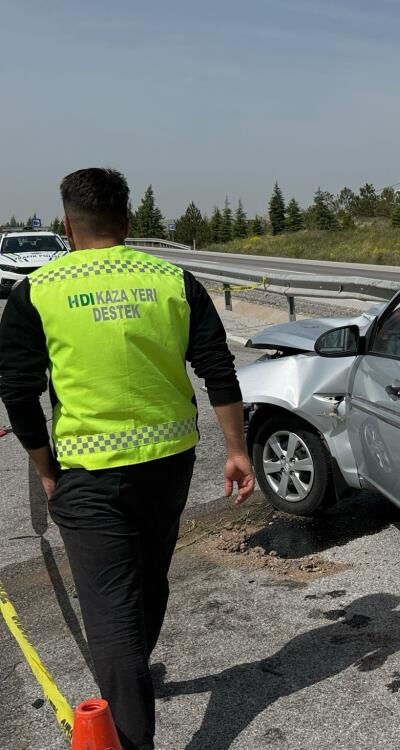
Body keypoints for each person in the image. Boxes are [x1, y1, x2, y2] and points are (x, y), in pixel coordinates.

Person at [0, 167, 255, 750]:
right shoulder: (172, 280)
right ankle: (133, 676)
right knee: (149, 578)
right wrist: (236, 450)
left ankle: (132, 729)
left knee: (110, 614)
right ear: (130, 221)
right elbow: (217, 367)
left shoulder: (37, 290)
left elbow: (18, 390)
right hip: (169, 464)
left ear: (66, 223)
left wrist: (45, 470)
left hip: (86, 474)